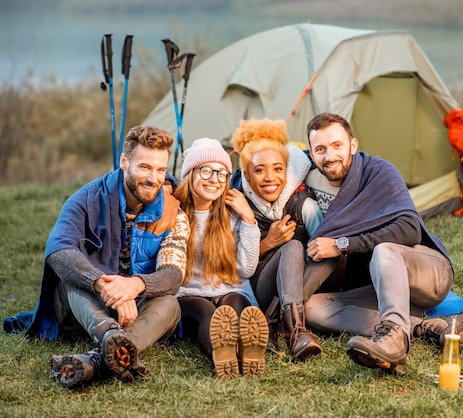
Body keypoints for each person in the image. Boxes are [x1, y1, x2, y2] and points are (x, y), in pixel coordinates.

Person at [3, 126, 190, 388]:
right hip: (84, 313)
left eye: (160, 170)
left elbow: (172, 275)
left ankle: (99, 358)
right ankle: (108, 334)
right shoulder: (88, 197)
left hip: (134, 313)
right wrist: (104, 285)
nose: (154, 178)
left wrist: (134, 285)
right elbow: (59, 249)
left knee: (170, 304)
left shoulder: (173, 213)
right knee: (71, 277)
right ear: (124, 162)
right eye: (145, 167)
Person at [302, 112, 463, 374]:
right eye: (320, 149)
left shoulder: (378, 172)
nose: (329, 156)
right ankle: (428, 327)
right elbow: (272, 162)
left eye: (337, 145)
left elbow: (409, 230)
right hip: (380, 288)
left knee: (384, 250)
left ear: (353, 145)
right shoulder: (305, 176)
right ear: (310, 154)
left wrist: (342, 244)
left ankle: (392, 340)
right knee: (311, 308)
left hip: (424, 275)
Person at [173, 138, 268, 379]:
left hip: (230, 288)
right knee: (207, 313)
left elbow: (245, 270)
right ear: (190, 174)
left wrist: (248, 218)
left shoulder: (231, 215)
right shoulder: (174, 213)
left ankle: (246, 352)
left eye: (222, 173)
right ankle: (224, 357)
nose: (214, 179)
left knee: (233, 304)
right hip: (188, 295)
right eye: (206, 170)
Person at [230, 118, 322, 360]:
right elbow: (234, 267)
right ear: (247, 174)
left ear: (287, 170)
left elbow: (325, 256)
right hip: (261, 285)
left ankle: (275, 323)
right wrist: (268, 244)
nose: (270, 178)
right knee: (291, 246)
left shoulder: (305, 207)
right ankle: (296, 331)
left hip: (303, 285)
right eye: (259, 170)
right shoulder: (237, 203)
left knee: (297, 247)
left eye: (278, 168)